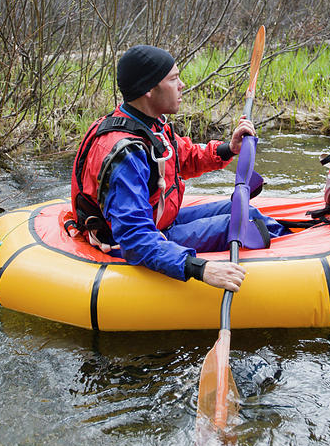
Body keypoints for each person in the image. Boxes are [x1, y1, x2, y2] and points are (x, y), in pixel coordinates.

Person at [70, 45, 288, 292]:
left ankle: (294, 237)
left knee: (239, 208)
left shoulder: (151, 125)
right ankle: (289, 268)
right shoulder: (126, 154)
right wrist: (200, 268)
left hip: (160, 221)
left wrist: (230, 148)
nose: (182, 84)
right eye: (173, 79)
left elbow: (185, 158)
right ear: (148, 90)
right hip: (137, 237)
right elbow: (134, 239)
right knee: (242, 224)